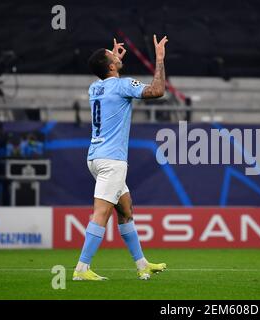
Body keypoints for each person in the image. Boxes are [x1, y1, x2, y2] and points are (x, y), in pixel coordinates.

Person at [73, 35, 168, 281]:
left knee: (125, 210)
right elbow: (157, 90)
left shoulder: (94, 88)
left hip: (95, 158)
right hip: (112, 161)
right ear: (112, 66)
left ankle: (142, 264)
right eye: (113, 54)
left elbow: (107, 78)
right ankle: (81, 269)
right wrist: (159, 60)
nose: (117, 54)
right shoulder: (122, 85)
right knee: (101, 213)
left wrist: (112, 60)